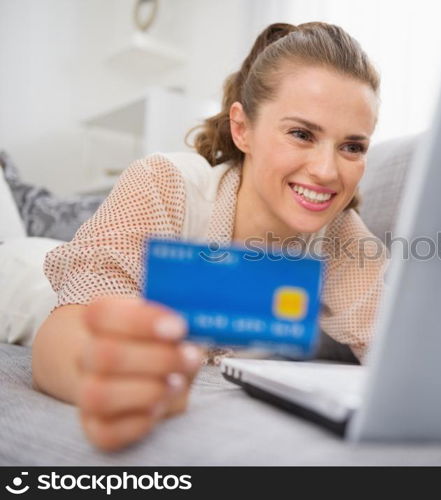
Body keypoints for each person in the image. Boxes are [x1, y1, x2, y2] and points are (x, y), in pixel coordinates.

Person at [31, 22, 387, 451]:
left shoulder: (342, 237)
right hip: (27, 285)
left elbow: (397, 347)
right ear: (242, 129)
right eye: (301, 134)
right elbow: (67, 333)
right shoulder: (162, 182)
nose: (328, 171)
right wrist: (108, 376)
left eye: (352, 146)